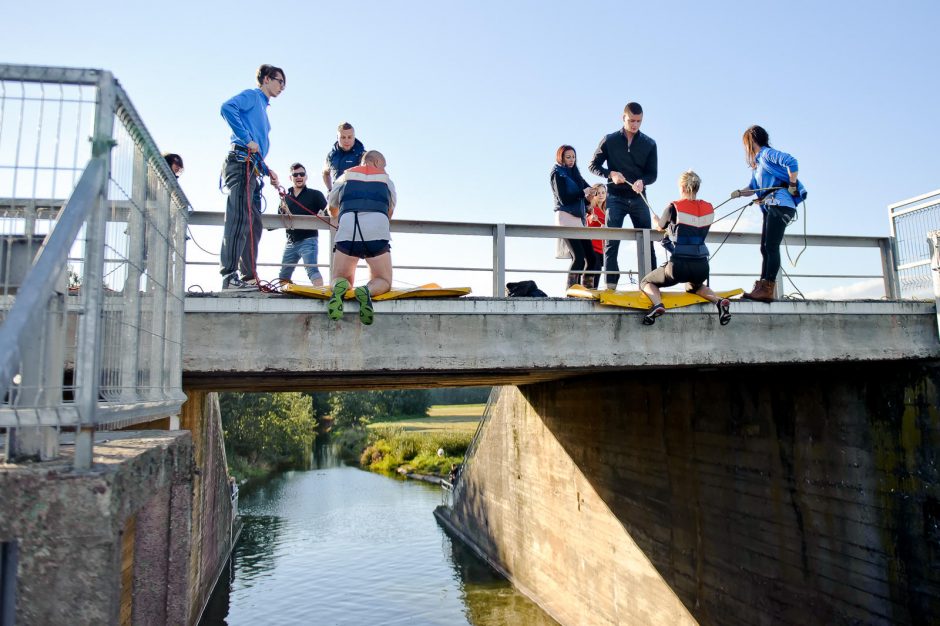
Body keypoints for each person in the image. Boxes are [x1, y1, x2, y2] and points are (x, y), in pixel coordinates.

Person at [218, 64, 285, 291]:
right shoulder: (253, 96)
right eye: (279, 81)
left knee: (254, 224)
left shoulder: (262, 108)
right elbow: (227, 108)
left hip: (254, 169)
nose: (282, 87)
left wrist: (269, 172)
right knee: (239, 219)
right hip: (240, 164)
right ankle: (229, 276)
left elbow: (258, 147)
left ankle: (248, 277)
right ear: (266, 79)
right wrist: (246, 139)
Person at [639, 170, 731, 326]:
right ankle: (718, 301)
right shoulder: (708, 208)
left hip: (678, 265)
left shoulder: (673, 207)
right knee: (694, 286)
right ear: (697, 187)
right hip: (701, 266)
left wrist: (656, 221)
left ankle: (658, 305)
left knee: (646, 282)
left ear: (682, 187)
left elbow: (660, 227)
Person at [731, 125, 805, 302]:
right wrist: (740, 193)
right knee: (765, 247)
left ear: (750, 141)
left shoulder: (766, 154)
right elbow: (753, 188)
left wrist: (792, 184)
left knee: (771, 246)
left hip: (780, 204)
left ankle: (767, 288)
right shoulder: (757, 165)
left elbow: (792, 162)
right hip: (771, 205)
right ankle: (763, 286)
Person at [589, 102, 658, 290]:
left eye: (639, 121)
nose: (635, 125)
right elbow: (593, 165)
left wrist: (643, 181)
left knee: (647, 241)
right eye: (631, 120)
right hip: (615, 198)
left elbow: (653, 174)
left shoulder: (649, 143)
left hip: (638, 198)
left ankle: (651, 284)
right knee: (611, 242)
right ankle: (610, 285)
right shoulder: (609, 140)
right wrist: (610, 174)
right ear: (623, 118)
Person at [326, 150, 396, 325]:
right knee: (383, 280)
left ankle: (339, 288)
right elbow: (389, 211)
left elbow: (332, 208)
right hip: (376, 231)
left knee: (340, 277)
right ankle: (367, 290)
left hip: (348, 229)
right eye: (384, 165)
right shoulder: (386, 180)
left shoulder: (345, 177)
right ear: (377, 162)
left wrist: (339, 218)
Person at [277, 162, 328, 286]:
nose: (299, 177)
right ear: (291, 178)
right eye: (295, 175)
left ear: (306, 177)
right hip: (290, 242)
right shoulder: (285, 198)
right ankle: (284, 297)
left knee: (312, 270)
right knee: (283, 275)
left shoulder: (316, 195)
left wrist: (324, 215)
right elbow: (278, 219)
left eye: (302, 174)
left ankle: (321, 294)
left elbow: (329, 212)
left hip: (308, 239)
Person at [550, 145, 593, 289]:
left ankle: (587, 289)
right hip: (565, 218)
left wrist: (592, 194)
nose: (571, 160)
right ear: (561, 157)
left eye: (573, 157)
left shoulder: (575, 173)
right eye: (568, 157)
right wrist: (583, 193)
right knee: (579, 257)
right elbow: (564, 199)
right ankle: (572, 291)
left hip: (578, 219)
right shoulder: (557, 173)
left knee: (592, 259)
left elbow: (587, 192)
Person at [322, 122, 366, 192]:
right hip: (338, 194)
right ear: (337, 137)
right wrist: (330, 190)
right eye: (343, 137)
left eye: (349, 137)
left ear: (354, 137)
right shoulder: (331, 156)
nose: (346, 140)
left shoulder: (363, 155)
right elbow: (325, 173)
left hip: (357, 196)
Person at [585, 184, 607, 289]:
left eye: (603, 192)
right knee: (595, 268)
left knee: (598, 271)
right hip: (593, 247)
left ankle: (593, 290)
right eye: (598, 193)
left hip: (603, 248)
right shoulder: (592, 208)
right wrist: (591, 218)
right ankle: (588, 291)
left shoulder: (607, 210)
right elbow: (588, 218)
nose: (601, 195)